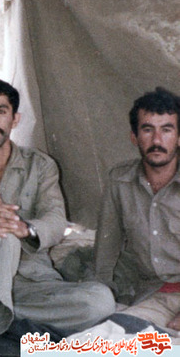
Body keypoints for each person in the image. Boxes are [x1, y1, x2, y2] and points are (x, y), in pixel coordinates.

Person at [0, 77, 115, 357]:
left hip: (30, 282)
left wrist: (25, 228)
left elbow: (55, 221)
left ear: (15, 119)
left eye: (0, 111)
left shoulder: (40, 166)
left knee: (100, 302)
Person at [95, 87, 180, 332]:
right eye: (147, 130)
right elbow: (106, 250)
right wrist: (101, 296)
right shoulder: (120, 181)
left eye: (166, 130)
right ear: (134, 137)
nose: (157, 141)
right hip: (154, 294)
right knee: (107, 334)